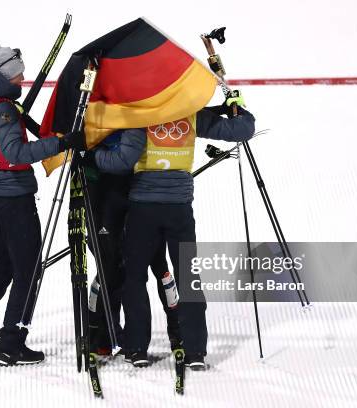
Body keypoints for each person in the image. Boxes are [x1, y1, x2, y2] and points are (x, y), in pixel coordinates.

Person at [92, 93, 255, 370]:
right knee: (188, 276)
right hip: (179, 208)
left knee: (134, 277)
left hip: (143, 208)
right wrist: (237, 109)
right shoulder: (191, 113)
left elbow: (121, 161)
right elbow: (243, 130)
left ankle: (136, 348)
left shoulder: (141, 115)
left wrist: (92, 154)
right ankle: (195, 352)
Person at [0, 42, 85, 366]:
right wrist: (60, 143)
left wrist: (23, 122)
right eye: (19, 76)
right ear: (7, 76)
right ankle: (12, 343)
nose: (23, 80)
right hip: (14, 196)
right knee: (28, 270)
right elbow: (15, 153)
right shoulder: (0, 107)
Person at [84, 141, 181, 365]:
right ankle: (100, 335)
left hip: (142, 191)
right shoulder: (90, 107)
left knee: (159, 265)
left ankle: (178, 333)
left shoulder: (139, 108)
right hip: (103, 193)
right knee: (109, 269)